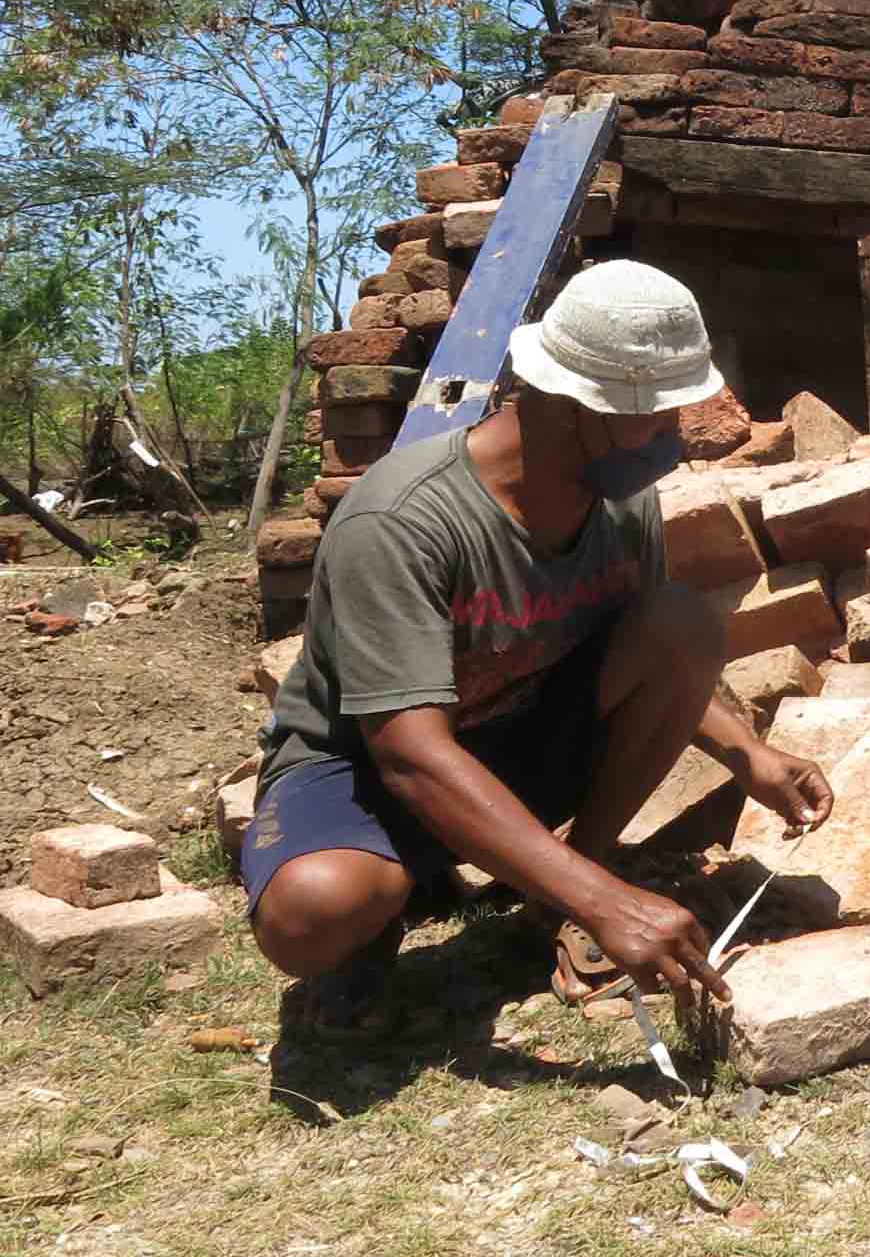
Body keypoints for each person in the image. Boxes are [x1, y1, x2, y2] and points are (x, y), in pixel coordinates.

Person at [243, 260, 834, 1028]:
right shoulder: (401, 524)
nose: (671, 438)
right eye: (651, 417)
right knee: (316, 910)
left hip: (513, 742)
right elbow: (409, 756)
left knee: (682, 619)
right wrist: (609, 904)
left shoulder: (618, 503)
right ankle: (402, 910)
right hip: (368, 770)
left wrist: (743, 752)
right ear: (564, 403)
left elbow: (652, 649)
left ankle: (558, 893)